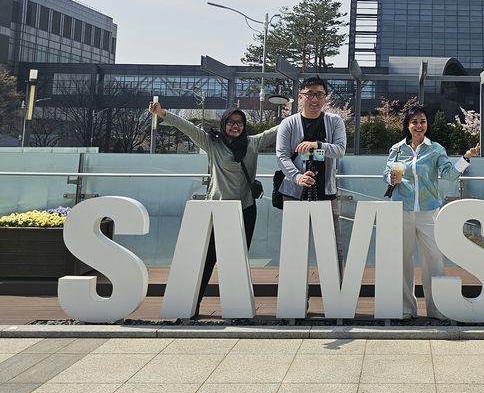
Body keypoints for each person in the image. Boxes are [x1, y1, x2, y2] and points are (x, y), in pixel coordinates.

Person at [149, 100, 277, 318]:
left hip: (245, 209)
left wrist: (307, 109)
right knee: (208, 258)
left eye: (239, 123)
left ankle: (237, 307)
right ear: (224, 123)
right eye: (231, 122)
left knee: (236, 258)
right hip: (217, 209)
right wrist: (163, 114)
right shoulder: (213, 143)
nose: (235, 126)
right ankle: (193, 304)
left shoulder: (253, 143)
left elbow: (276, 131)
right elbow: (187, 127)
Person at [384, 106, 479, 318]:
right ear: (407, 125)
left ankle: (437, 308)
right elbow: (386, 173)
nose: (419, 126)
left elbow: (448, 174)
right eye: (415, 122)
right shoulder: (397, 149)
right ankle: (406, 309)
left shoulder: (436, 149)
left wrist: (465, 157)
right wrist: (390, 178)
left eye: (423, 121)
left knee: (433, 259)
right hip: (402, 210)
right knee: (403, 260)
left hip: (428, 211)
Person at [275, 76, 348, 259]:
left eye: (319, 95)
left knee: (332, 247)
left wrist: (317, 144)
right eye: (309, 94)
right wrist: (298, 177)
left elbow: (340, 150)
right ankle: (295, 288)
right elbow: (282, 156)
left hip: (326, 193)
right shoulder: (289, 123)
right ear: (300, 97)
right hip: (294, 193)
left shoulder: (334, 121)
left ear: (325, 98)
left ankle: (336, 287)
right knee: (294, 246)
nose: (314, 99)